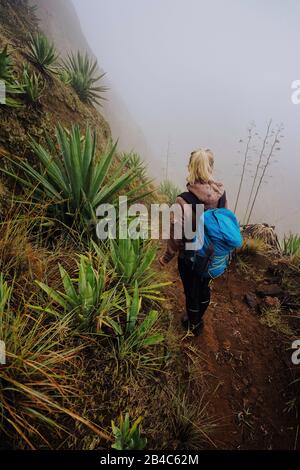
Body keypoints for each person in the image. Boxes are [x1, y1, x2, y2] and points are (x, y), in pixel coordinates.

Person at [159, 148, 227, 335]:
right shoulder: (221, 194)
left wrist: (167, 257)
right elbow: (225, 222)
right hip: (212, 254)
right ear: (210, 167)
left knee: (191, 291)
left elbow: (177, 235)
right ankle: (199, 316)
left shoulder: (185, 199)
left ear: (191, 167)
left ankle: (194, 324)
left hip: (190, 256)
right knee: (204, 286)